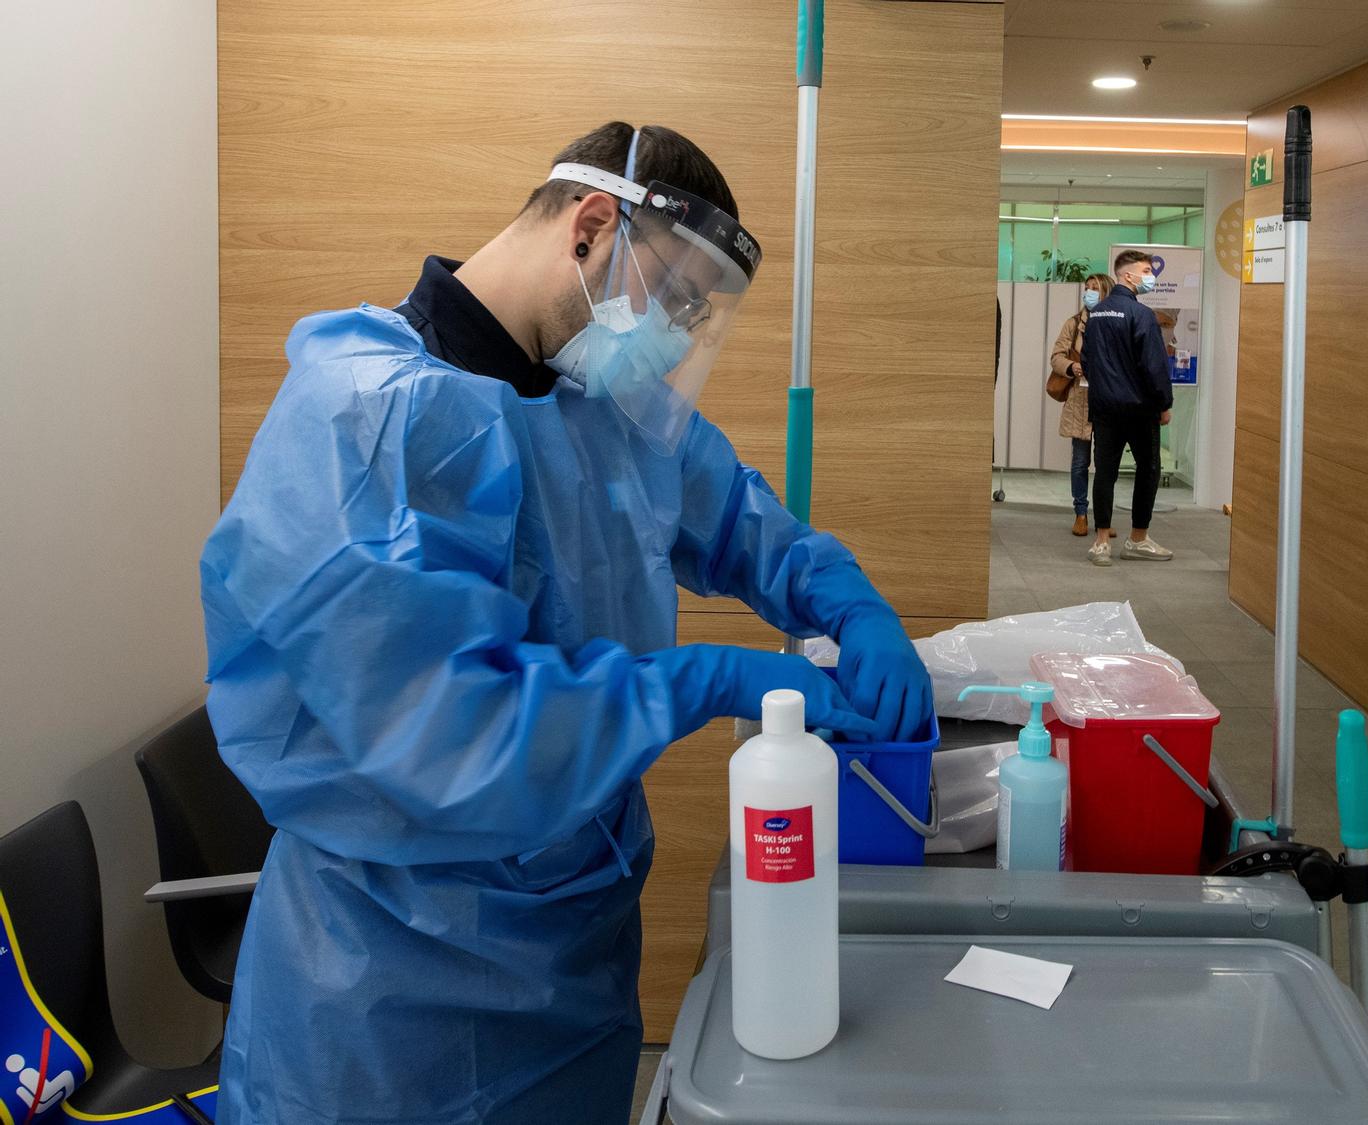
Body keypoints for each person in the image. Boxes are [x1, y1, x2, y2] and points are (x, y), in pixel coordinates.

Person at [198, 121, 933, 1124]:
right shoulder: (367, 416)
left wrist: (852, 604)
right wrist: (709, 681)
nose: (674, 333)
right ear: (591, 226)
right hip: (389, 980)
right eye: (673, 298)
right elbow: (446, 731)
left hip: (571, 939)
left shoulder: (601, 406)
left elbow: (744, 524)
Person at [1078, 249, 1174, 566]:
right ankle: (1137, 539)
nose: (1150, 276)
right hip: (1139, 408)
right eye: (1146, 270)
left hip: (1104, 408)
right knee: (1148, 471)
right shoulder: (1141, 315)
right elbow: (1154, 366)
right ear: (1127, 275)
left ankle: (1101, 542)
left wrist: (1105, 389)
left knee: (1105, 472)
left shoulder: (1097, 315)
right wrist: (1163, 403)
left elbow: (1088, 362)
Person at [1049, 273, 1112, 536]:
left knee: (1106, 463)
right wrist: (1071, 366)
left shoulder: (1114, 323)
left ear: (1106, 292)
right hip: (1079, 400)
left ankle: (1103, 519)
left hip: (1108, 399)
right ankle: (1081, 513)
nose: (1089, 293)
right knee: (1080, 461)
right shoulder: (1073, 324)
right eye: (1087, 289)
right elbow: (1056, 357)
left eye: (1095, 289)